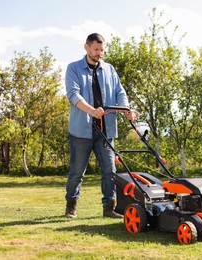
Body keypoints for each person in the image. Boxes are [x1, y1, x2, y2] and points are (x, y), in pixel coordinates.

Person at [64, 33, 133, 218]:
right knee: (77, 172)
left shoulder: (109, 70)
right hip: (81, 131)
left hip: (105, 130)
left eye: (102, 50)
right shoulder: (74, 68)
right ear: (86, 48)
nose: (99, 54)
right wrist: (91, 110)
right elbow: (73, 95)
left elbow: (120, 91)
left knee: (110, 170)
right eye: (96, 50)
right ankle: (71, 205)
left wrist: (126, 109)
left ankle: (109, 208)